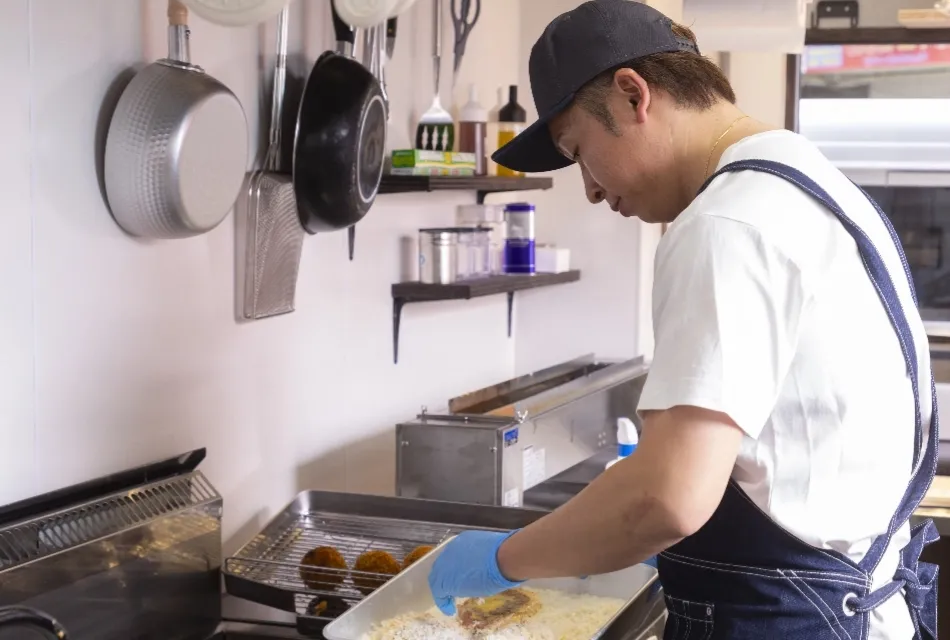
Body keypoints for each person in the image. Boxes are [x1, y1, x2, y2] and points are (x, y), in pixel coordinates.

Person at [427, 1, 940, 638]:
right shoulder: (815, 186)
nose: (588, 189)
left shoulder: (724, 224)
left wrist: (503, 561)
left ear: (632, 95)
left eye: (578, 150)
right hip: (853, 607)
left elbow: (666, 499)